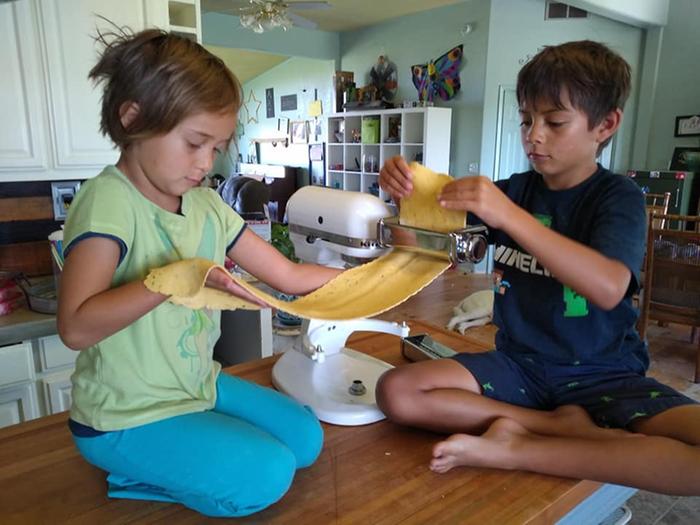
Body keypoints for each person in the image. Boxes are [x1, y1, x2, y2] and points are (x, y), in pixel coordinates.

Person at [376, 40, 700, 495]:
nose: (534, 135)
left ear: (605, 125)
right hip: (519, 365)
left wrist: (508, 216)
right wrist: (402, 198)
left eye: (554, 122)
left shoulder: (616, 198)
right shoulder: (513, 191)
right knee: (397, 392)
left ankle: (518, 447)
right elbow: (419, 253)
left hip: (602, 371)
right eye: (527, 119)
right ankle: (554, 427)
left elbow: (609, 287)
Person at [57, 27, 341, 518]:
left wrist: (378, 277)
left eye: (217, 146)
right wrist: (171, 280)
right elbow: (76, 327)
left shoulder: (207, 205)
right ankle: (129, 475)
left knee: (306, 440)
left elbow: (289, 277)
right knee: (268, 474)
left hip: (196, 386)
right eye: (195, 142)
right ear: (133, 119)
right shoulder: (108, 202)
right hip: (124, 416)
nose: (206, 162)